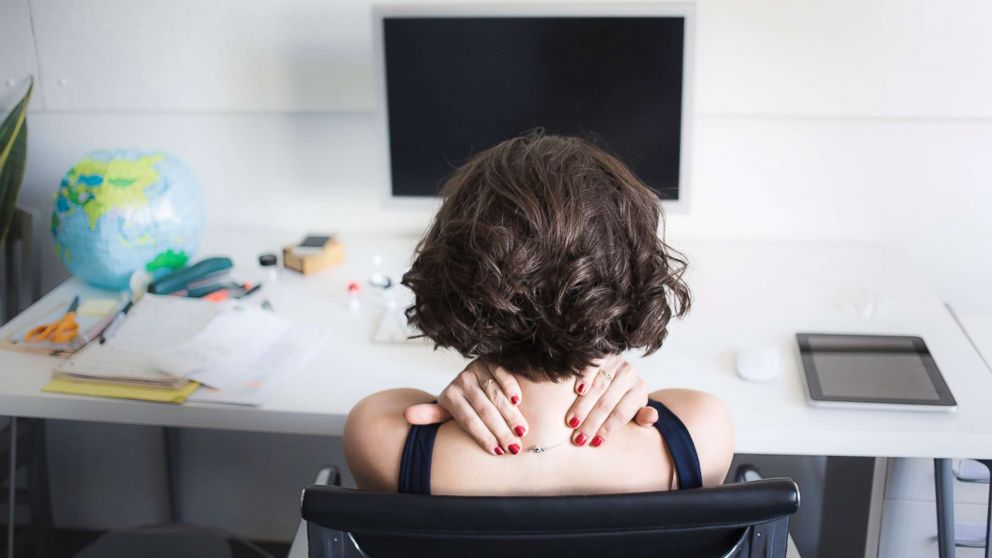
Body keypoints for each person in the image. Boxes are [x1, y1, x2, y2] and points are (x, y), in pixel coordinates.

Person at [345, 133, 733, 496]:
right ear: (632, 272)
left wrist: (462, 386)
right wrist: (603, 355)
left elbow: (380, 408)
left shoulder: (382, 439)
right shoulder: (698, 435)